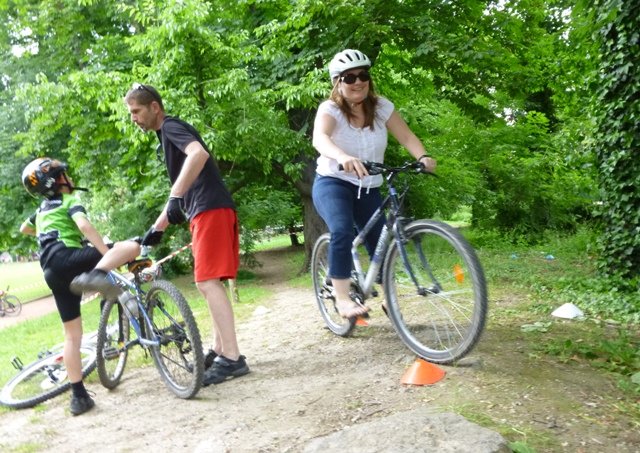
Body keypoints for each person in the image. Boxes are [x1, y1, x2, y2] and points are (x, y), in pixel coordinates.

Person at [123, 83, 249, 386]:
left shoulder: (170, 127)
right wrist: (156, 229)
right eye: (130, 114)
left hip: (210, 211)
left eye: (136, 111)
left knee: (206, 282)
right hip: (208, 210)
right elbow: (181, 192)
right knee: (212, 282)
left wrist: (175, 196)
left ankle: (232, 358)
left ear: (154, 107)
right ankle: (221, 350)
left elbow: (198, 154)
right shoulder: (166, 134)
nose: (134, 119)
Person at [312, 49, 437, 320]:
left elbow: (406, 136)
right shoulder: (330, 109)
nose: (357, 82)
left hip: (369, 185)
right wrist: (343, 156)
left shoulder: (382, 108)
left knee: (381, 240)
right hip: (334, 182)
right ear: (337, 82)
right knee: (342, 230)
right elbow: (320, 139)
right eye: (349, 77)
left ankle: (389, 299)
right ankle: (342, 298)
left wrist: (423, 156)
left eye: (363, 75)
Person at [20, 157, 141, 415]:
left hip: (50, 271)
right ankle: (98, 276)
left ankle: (79, 397)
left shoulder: (41, 211)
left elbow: (23, 229)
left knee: (72, 336)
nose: (69, 177)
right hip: (69, 258)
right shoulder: (69, 200)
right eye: (65, 173)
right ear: (58, 181)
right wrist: (105, 253)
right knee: (131, 247)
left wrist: (48, 233)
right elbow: (85, 226)